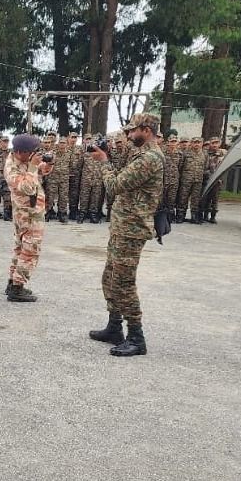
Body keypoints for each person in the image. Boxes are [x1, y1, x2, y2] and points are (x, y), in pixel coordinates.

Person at [87, 113, 164, 357]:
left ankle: (136, 337)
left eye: (133, 131)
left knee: (123, 283)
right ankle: (114, 327)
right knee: (109, 277)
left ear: (147, 130)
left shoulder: (150, 158)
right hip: (122, 226)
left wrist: (104, 162)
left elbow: (114, 185)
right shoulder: (140, 153)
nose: (129, 136)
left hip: (132, 229)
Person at [4, 134, 52, 302]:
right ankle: (17, 288)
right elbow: (28, 187)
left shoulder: (24, 161)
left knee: (20, 249)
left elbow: (38, 174)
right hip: (28, 215)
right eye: (31, 152)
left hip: (29, 212)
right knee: (30, 250)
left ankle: (12, 282)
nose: (34, 155)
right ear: (19, 152)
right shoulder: (11, 169)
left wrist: (44, 167)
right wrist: (33, 167)